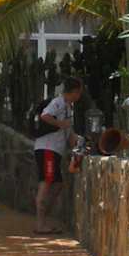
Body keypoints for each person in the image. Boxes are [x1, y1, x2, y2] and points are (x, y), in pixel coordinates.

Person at [32, 77, 83, 233]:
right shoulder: (58, 103)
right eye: (79, 92)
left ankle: (43, 219)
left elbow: (69, 134)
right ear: (74, 92)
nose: (79, 95)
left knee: (57, 184)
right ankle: (40, 224)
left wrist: (81, 142)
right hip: (47, 149)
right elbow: (45, 116)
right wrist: (60, 124)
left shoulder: (68, 107)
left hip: (55, 151)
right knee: (46, 183)